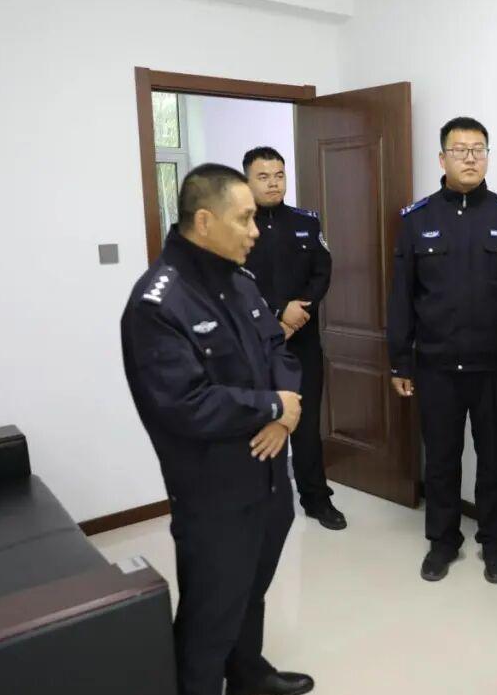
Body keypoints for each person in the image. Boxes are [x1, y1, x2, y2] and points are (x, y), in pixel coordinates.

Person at [121, 163, 313, 695]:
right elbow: (184, 404)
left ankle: (247, 673)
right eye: (244, 219)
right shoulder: (158, 302)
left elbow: (278, 350)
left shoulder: (239, 280)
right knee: (210, 612)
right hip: (215, 492)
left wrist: (283, 414)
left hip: (269, 477)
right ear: (204, 221)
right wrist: (271, 407)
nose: (255, 231)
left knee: (252, 591)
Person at [386, 116, 497, 583]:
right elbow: (402, 297)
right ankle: (442, 541)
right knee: (440, 458)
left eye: (478, 149)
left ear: (488, 157)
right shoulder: (417, 220)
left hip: (495, 365)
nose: (470, 158)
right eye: (460, 150)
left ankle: (494, 544)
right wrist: (400, 360)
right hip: (436, 365)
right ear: (442, 159)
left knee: (495, 458)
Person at [242, 146, 346, 530]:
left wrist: (297, 314)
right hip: (254, 345)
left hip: (301, 342)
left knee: (306, 425)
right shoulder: (237, 226)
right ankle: (258, 504)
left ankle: (317, 500)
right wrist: (277, 312)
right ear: (247, 181)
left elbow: (322, 272)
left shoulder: (306, 222)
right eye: (263, 176)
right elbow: (235, 283)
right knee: (257, 423)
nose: (273, 183)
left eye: (279, 175)